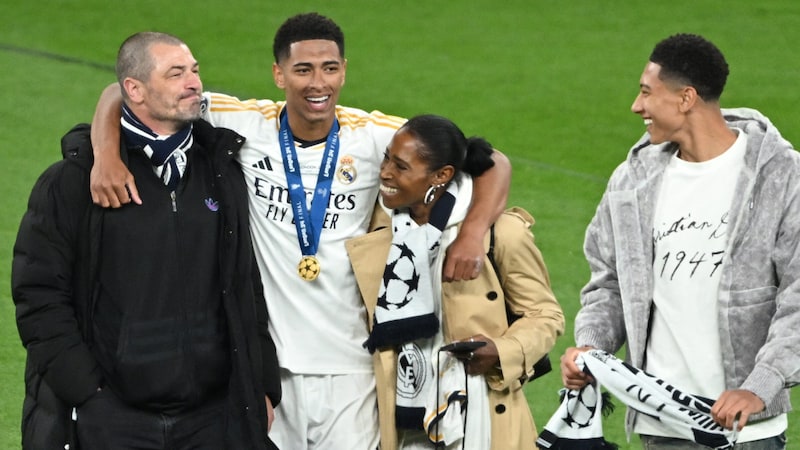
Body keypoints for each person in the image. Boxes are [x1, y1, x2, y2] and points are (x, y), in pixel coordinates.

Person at [87, 13, 511, 450]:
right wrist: (106, 155)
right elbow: (117, 92)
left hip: (352, 367)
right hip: (269, 369)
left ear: (344, 70)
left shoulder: (373, 135)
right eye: (303, 69)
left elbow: (492, 159)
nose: (318, 83)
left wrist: (472, 233)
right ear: (278, 74)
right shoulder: (245, 122)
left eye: (330, 68)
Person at [11, 32, 280, 449]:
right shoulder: (73, 182)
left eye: (194, 70)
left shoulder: (222, 174)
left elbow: (244, 284)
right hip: (114, 420)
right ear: (133, 90)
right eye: (176, 74)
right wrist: (88, 394)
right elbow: (39, 296)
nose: (194, 83)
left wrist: (258, 384)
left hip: (210, 421)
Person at [560, 33, 799, 449]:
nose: (637, 106)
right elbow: (610, 282)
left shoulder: (781, 177)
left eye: (646, 92)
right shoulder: (632, 181)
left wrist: (761, 385)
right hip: (663, 426)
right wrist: (592, 349)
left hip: (748, 432)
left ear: (686, 98)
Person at [345, 114, 564, 449]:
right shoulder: (380, 227)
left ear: (442, 175)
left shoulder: (500, 233)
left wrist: (501, 351)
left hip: (482, 415)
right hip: (405, 416)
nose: (385, 172)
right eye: (387, 158)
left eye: (401, 167)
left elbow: (546, 316)